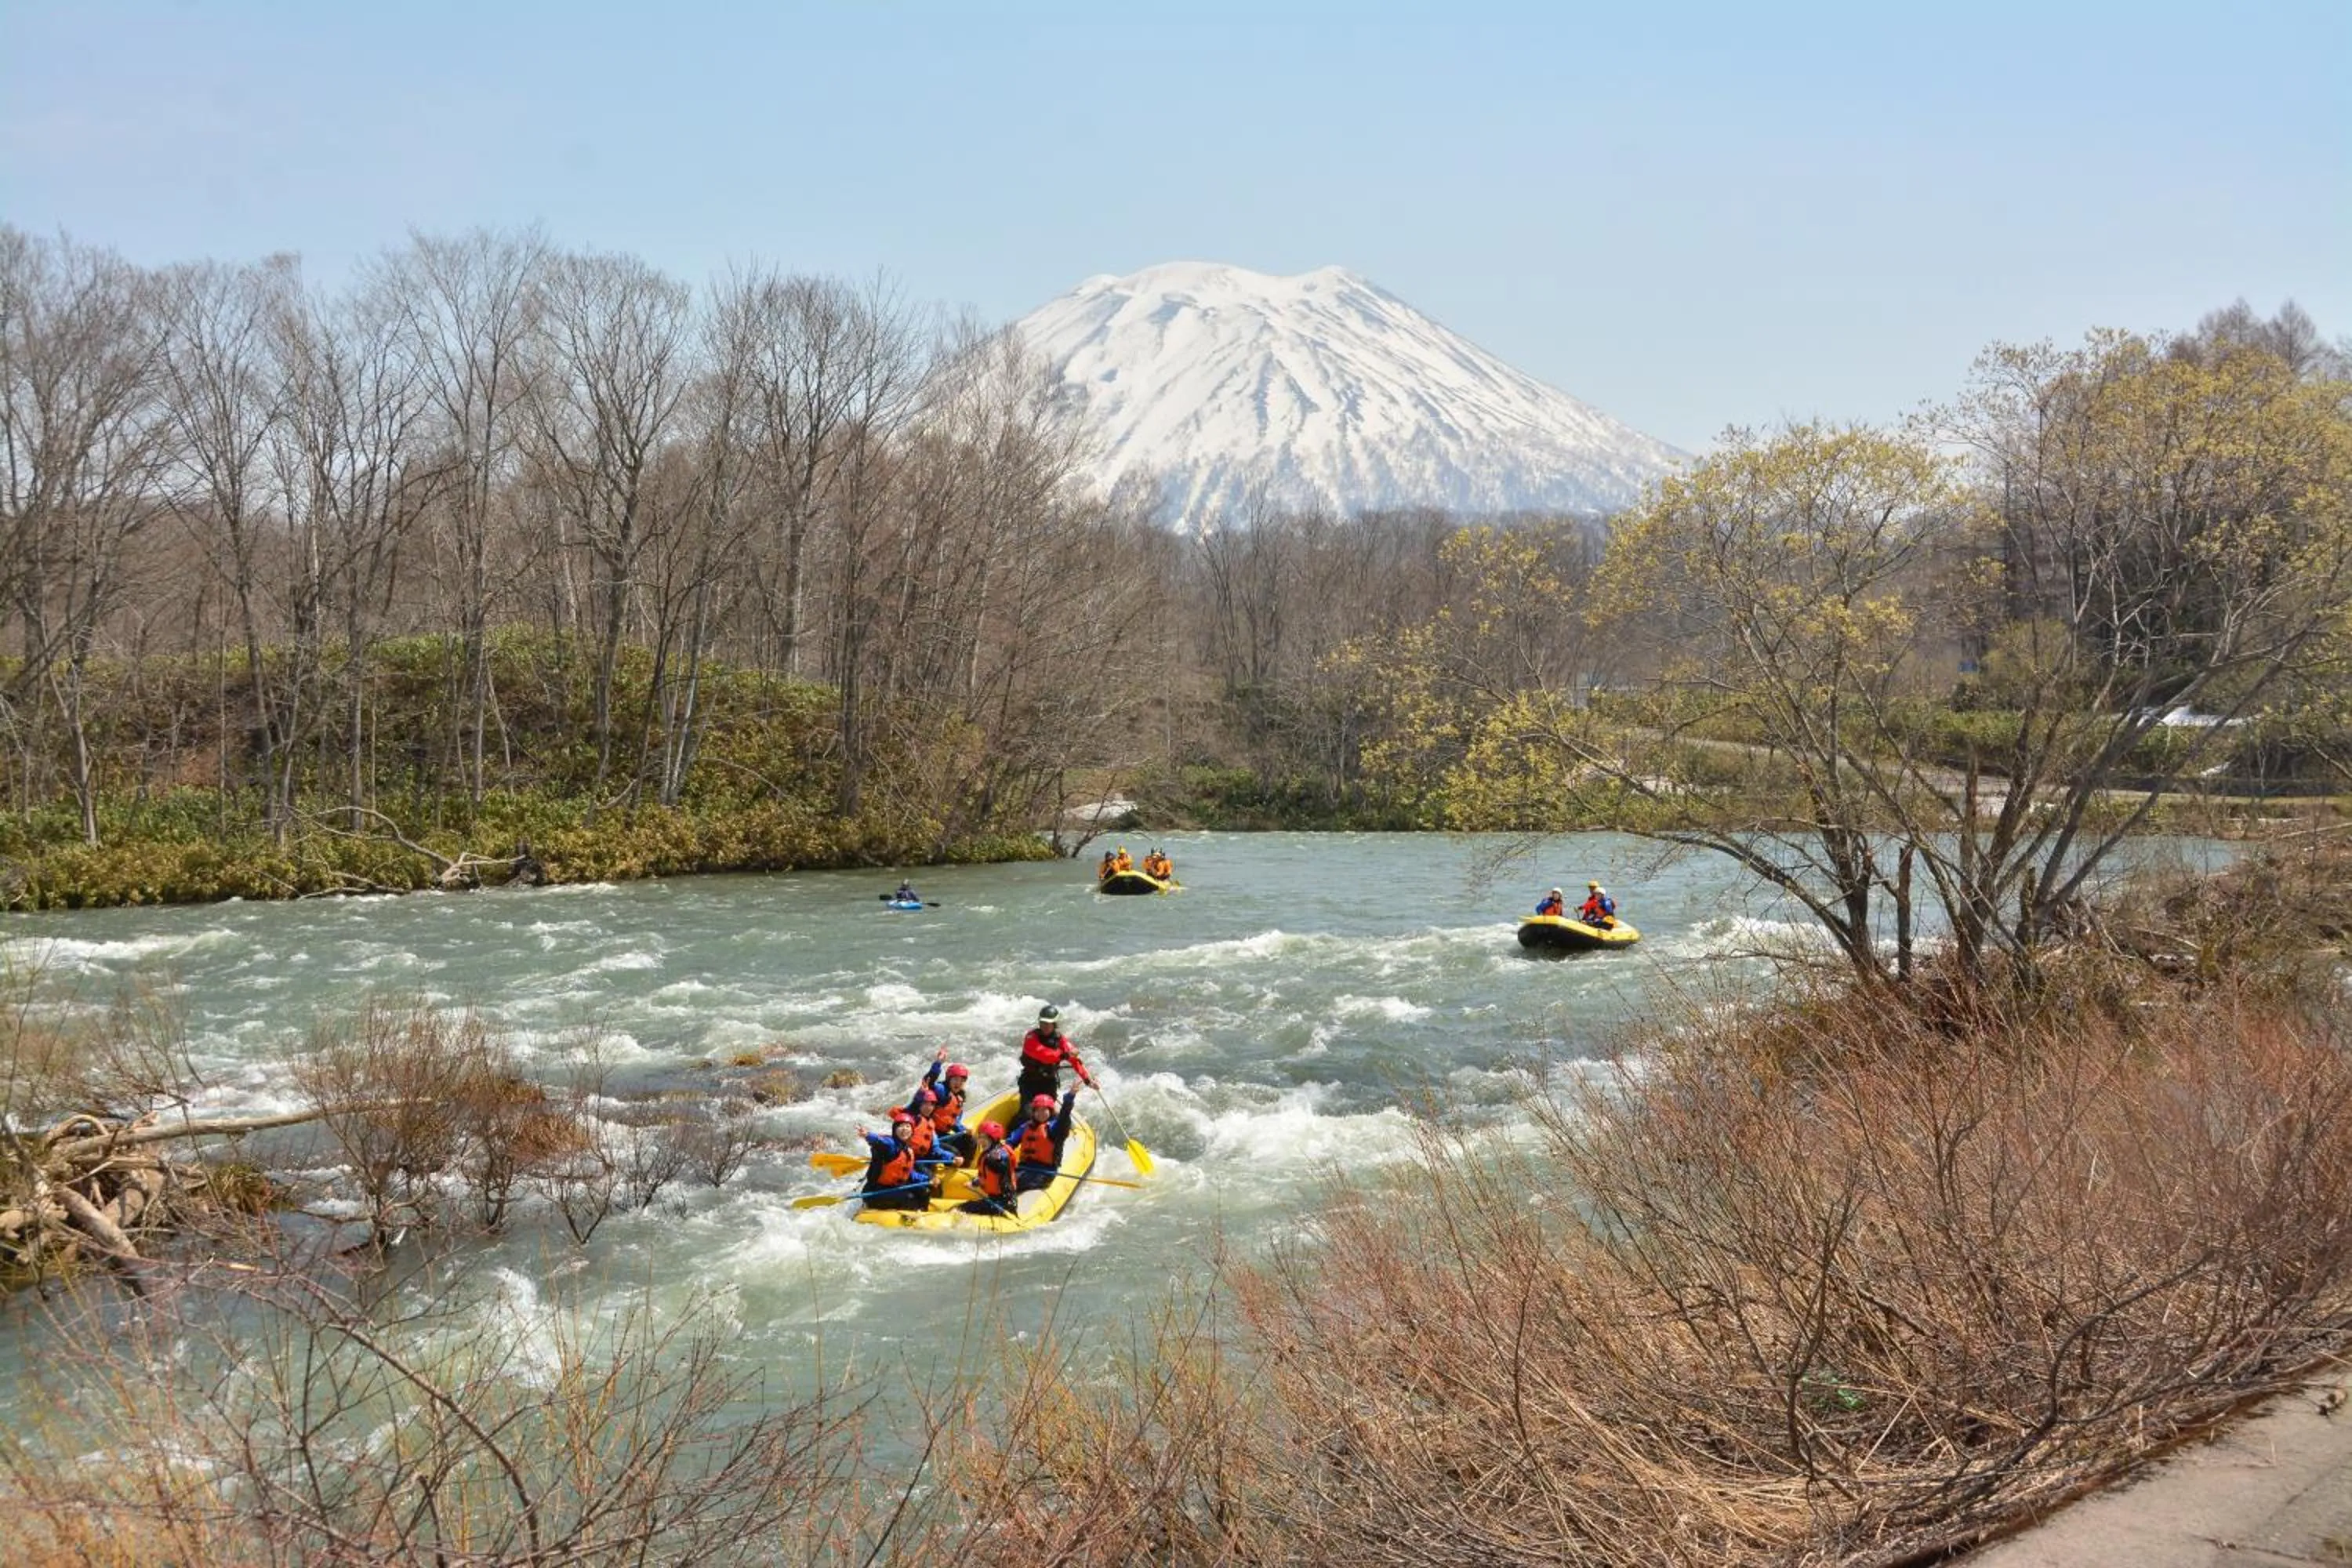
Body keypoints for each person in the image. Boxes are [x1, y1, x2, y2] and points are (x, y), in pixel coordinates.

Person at [1016, 1004, 1094, 1106]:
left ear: (1054, 1024)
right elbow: (1046, 1056)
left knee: (1049, 1113)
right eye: (1043, 1022)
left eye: (1049, 1023)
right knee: (1027, 1114)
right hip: (1030, 1082)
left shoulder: (1059, 1039)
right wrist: (1065, 1055)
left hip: (1049, 1082)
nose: (1045, 1026)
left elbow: (1075, 1060)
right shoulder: (1031, 1038)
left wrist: (1088, 1080)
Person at [856, 1111, 931, 1210]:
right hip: (876, 1191)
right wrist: (868, 1135)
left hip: (894, 1188)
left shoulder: (908, 1150)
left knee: (924, 1191)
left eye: (908, 1126)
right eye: (900, 1126)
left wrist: (927, 1179)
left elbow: (909, 1174)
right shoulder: (890, 1145)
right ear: (895, 1130)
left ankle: (922, 1214)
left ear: (912, 1131)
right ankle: (910, 1219)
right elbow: (879, 1141)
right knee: (909, 1198)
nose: (904, 1129)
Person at [912, 1048, 975, 1163]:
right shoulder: (941, 1091)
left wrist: (964, 1130)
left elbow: (954, 1121)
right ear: (949, 1079)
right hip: (931, 1136)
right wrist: (938, 1063)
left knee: (970, 1140)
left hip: (944, 1135)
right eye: (955, 1079)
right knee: (954, 1152)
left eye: (961, 1081)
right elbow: (929, 1081)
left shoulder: (959, 1098)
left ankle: (965, 1166)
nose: (958, 1083)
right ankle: (952, 1168)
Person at [1011, 1088, 1080, 1192]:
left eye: (1044, 1110)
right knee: (1001, 1176)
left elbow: (1064, 1118)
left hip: (1044, 1173)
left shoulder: (1054, 1128)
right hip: (1024, 1168)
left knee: (1011, 1184)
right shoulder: (1026, 1127)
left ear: (1051, 1111)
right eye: (1038, 1110)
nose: (1041, 1113)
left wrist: (1069, 1098)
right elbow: (1010, 1142)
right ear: (1033, 1112)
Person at [959, 1120, 1018, 1217]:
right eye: (980, 1137)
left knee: (962, 1209)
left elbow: (1001, 1164)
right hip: (995, 1200)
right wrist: (973, 1183)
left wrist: (997, 1161)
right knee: (963, 1207)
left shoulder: (999, 1154)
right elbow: (985, 1177)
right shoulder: (988, 1153)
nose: (981, 1141)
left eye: (985, 1138)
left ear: (994, 1139)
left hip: (1005, 1203)